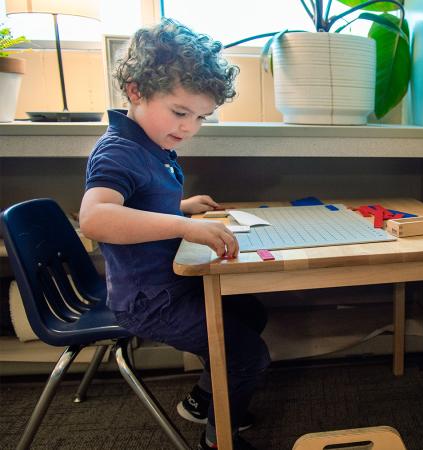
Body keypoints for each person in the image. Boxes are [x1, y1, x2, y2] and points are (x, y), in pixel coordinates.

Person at [79, 18, 268, 450]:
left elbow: (138, 205)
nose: (189, 127)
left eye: (201, 117)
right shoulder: (118, 151)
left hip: (171, 284)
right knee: (248, 355)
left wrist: (181, 206)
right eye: (180, 112)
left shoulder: (153, 146)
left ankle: (205, 399)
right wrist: (184, 225)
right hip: (150, 301)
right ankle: (219, 439)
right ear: (135, 90)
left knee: (250, 313)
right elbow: (95, 217)